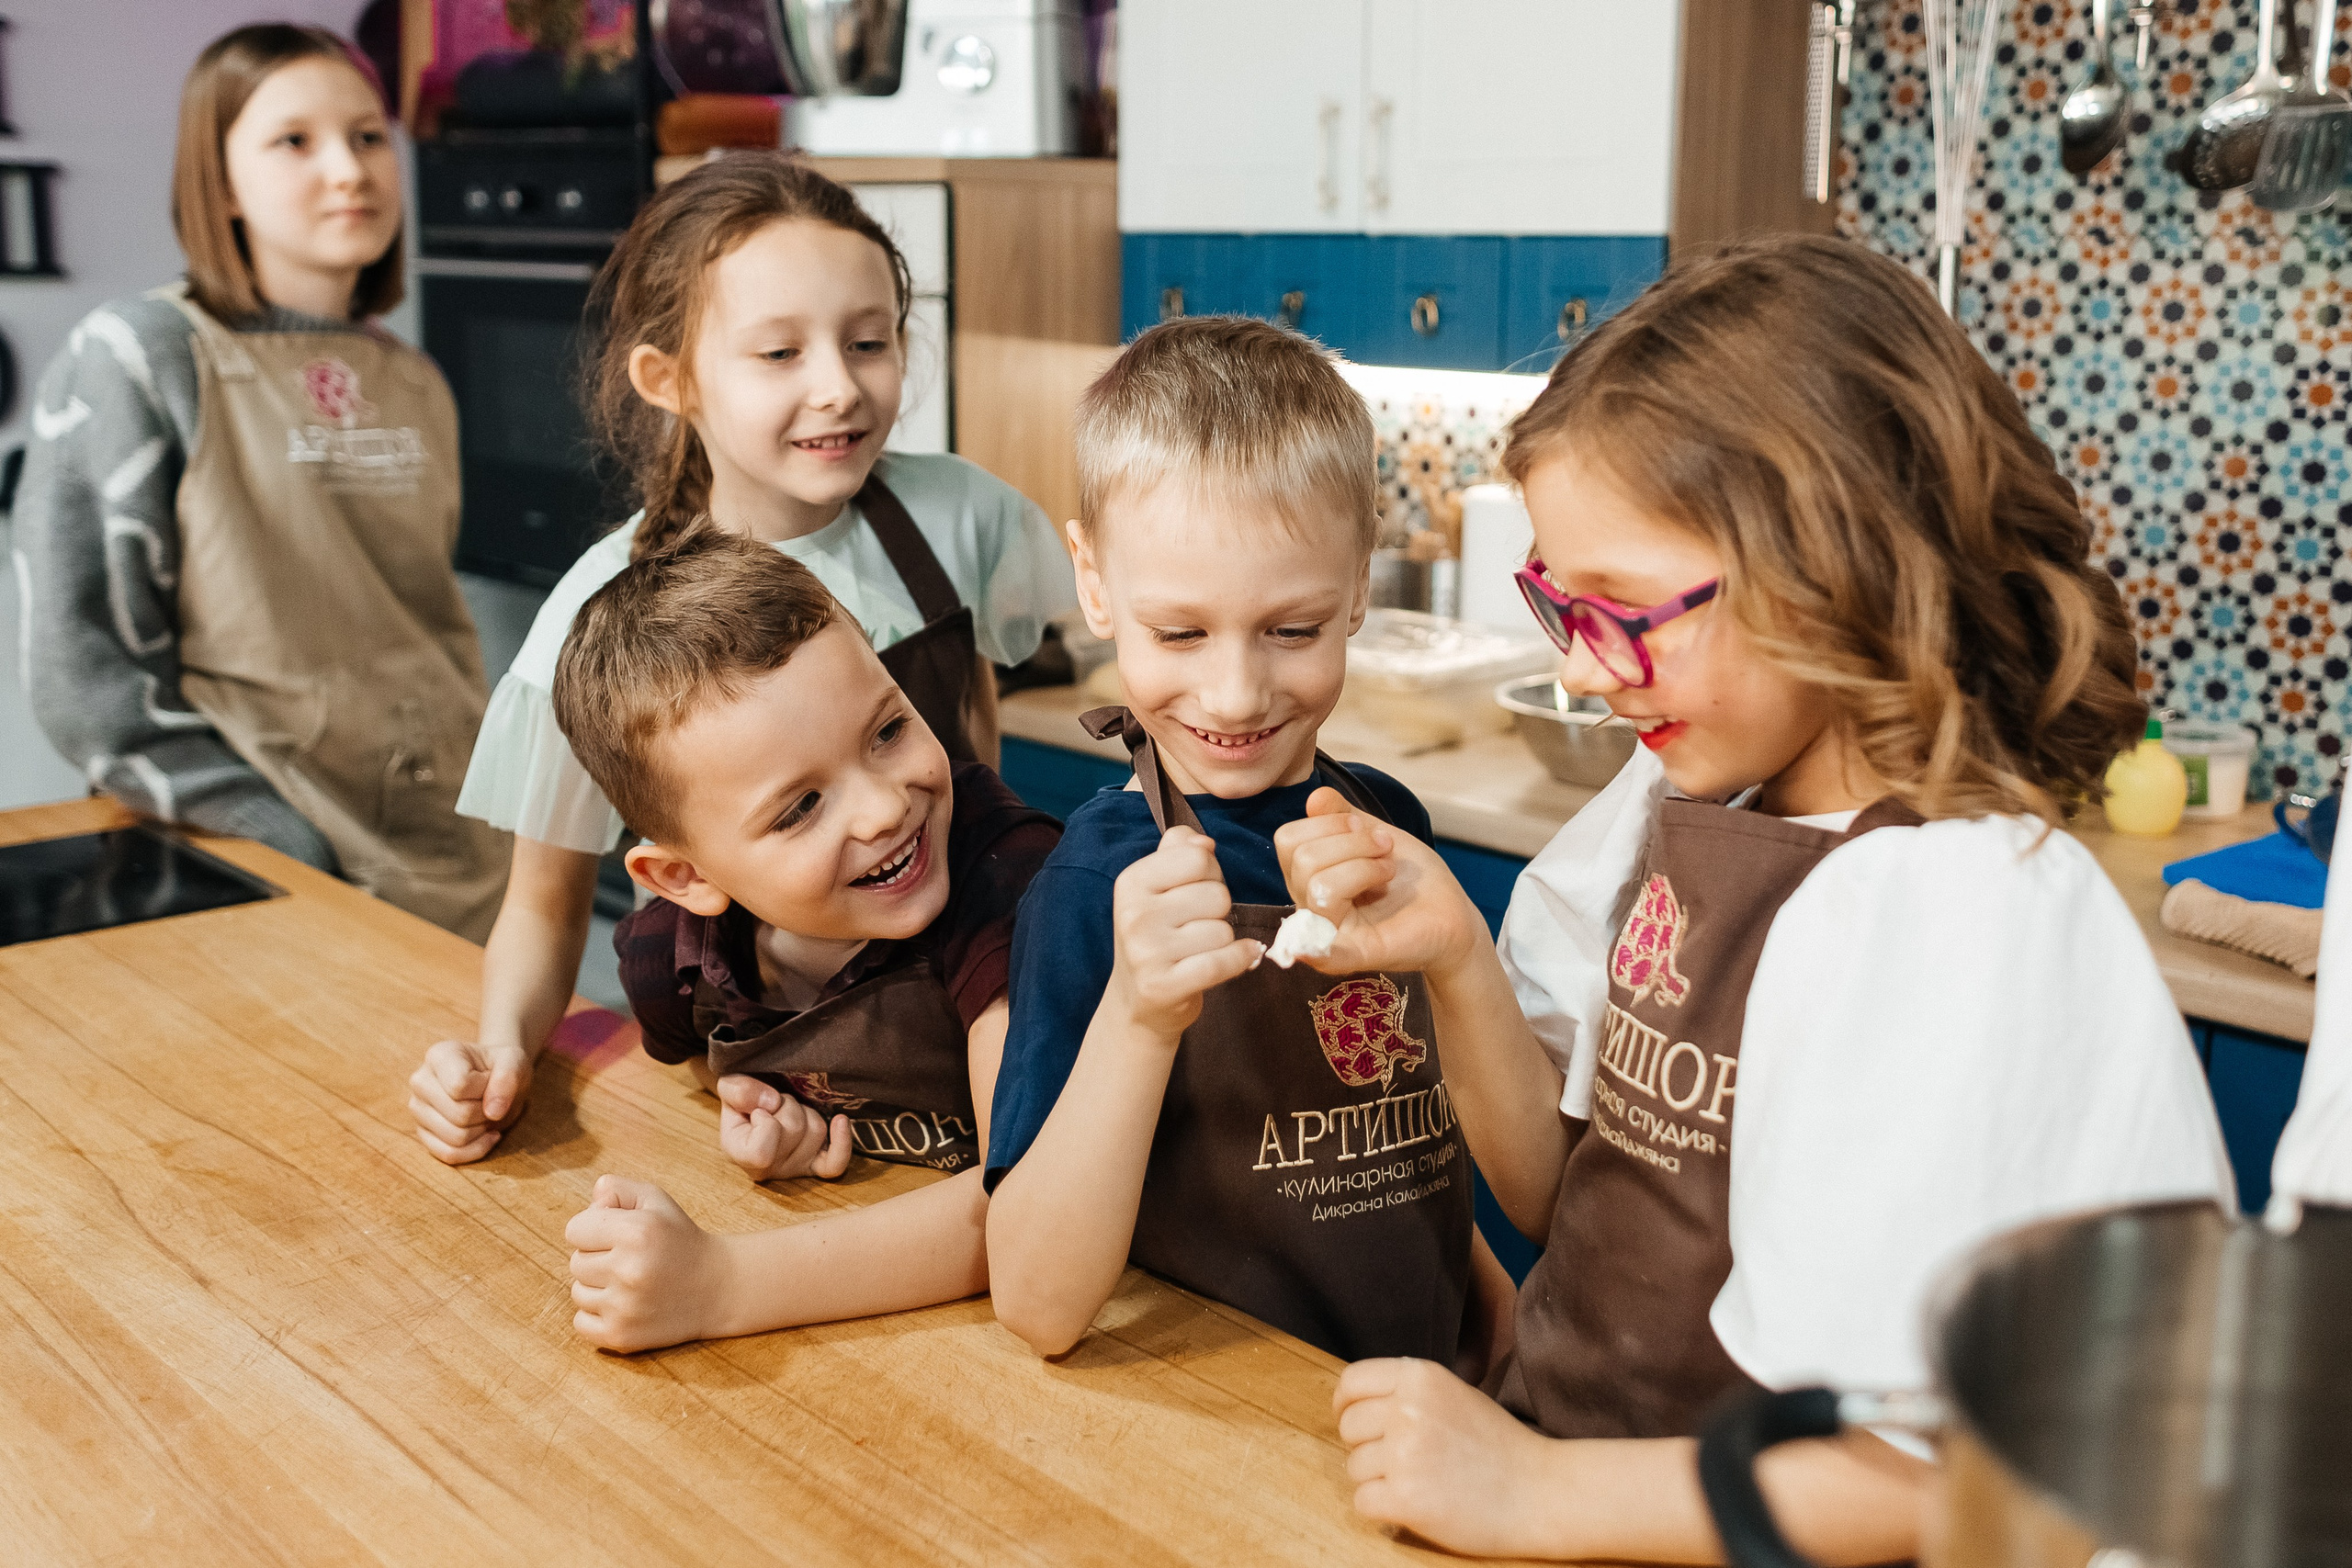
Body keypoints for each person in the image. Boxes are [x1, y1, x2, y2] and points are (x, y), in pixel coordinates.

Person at [1274, 235, 2238, 1564]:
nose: (1589, 670)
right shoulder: (1683, 792)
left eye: (1624, 608)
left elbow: (1936, 1483)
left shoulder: (1960, 908)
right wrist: (1453, 956)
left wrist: (1531, 1494)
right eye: (1562, 602)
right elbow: (1582, 1199)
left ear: (1827, 554)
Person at [406, 153, 1074, 1165]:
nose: (838, 388)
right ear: (668, 380)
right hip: (774, 1074)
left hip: (981, 990)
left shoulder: (958, 514)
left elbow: (990, 739)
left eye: (869, 341)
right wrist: (499, 1051)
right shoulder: (598, 614)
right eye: (779, 354)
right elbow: (542, 909)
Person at [984, 318, 1511, 1371]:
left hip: (1435, 1409)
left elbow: (1424, 1157)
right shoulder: (1092, 889)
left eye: (1292, 629)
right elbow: (1037, 1303)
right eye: (1179, 633)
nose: (1233, 693)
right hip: (1247, 1441)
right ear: (1092, 582)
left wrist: (1500, 1332)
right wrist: (1138, 1016)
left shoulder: (1390, 828)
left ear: (1360, 583)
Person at [16, 24, 508, 938]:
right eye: (294, 141)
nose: (349, 170)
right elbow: (84, 670)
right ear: (221, 180)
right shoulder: (139, 355)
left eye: (367, 137)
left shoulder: (415, 380)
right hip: (263, 866)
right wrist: (273, 838)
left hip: (457, 850)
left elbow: (422, 628)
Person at [533, 531, 1057, 1350]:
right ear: (685, 878)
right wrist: (771, 1111)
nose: (885, 808)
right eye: (801, 807)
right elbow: (711, 1075)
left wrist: (720, 1285)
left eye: (886, 730)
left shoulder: (1012, 883)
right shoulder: (670, 962)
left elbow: (1026, 1207)